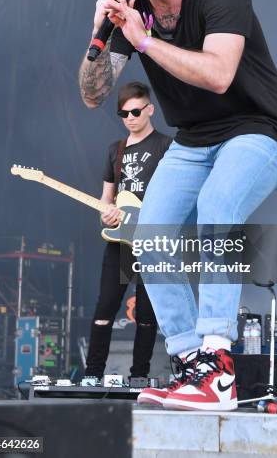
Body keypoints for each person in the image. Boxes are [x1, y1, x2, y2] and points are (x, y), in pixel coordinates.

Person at [79, 0, 277, 411]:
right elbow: (93, 93)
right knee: (151, 235)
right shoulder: (131, 13)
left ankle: (218, 361)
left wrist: (145, 41)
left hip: (260, 131)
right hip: (194, 140)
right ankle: (190, 365)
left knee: (217, 208)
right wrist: (99, 33)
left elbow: (219, 74)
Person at [84, 81, 172, 381]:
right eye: (124, 113)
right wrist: (105, 214)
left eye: (136, 111)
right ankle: (93, 373)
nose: (130, 118)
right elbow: (106, 197)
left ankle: (139, 376)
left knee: (147, 316)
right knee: (105, 307)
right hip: (121, 240)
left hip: (153, 240)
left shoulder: (166, 146)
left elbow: (178, 195)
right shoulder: (115, 150)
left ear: (150, 109)